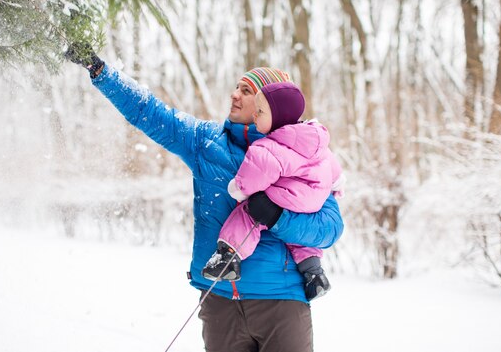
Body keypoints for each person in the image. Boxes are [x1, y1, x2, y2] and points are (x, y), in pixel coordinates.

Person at [65, 44, 344, 352]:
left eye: (247, 91)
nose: (235, 95)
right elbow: (150, 113)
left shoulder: (305, 156)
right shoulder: (206, 142)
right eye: (236, 87)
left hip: (280, 301)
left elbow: (330, 227)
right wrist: (101, 72)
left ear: (269, 104)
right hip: (220, 301)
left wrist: (278, 218)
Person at [202, 81, 345, 302]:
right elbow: (332, 167)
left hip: (285, 197)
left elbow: (254, 175)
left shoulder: (268, 147)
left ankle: (228, 257)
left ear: (278, 117)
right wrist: (336, 185)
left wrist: (239, 190)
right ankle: (313, 272)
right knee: (298, 238)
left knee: (248, 214)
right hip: (312, 200)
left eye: (260, 112)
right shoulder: (316, 141)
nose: (256, 116)